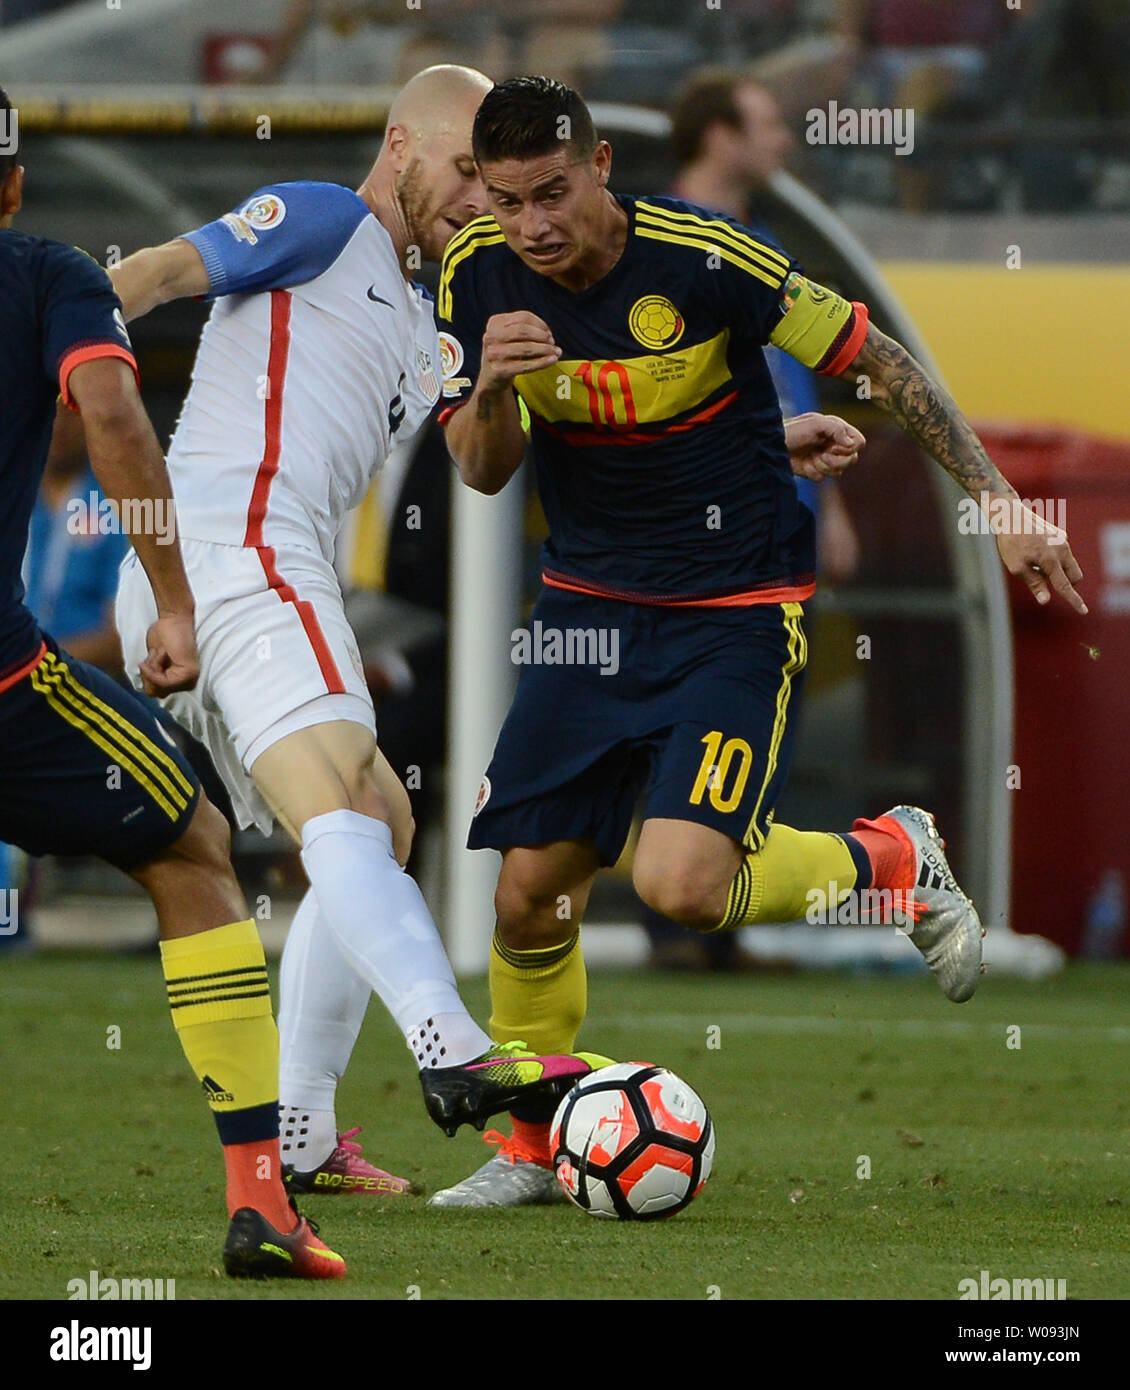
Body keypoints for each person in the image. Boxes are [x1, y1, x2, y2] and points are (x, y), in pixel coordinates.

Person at [426, 75, 1087, 1207]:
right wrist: (491, 384)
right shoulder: (472, 274)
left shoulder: (708, 257)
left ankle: (891, 860)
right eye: (503, 199)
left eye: (548, 193)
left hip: (733, 607)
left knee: (679, 884)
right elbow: (483, 466)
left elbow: (878, 363)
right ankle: (530, 1151)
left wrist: (999, 505)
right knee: (526, 894)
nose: (530, 224)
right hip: (586, 609)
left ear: (597, 170)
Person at [111, 65, 609, 1199]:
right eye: (466, 172)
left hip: (229, 574)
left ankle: (297, 1131)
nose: (481, 200)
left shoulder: (426, 310)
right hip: (236, 550)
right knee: (350, 803)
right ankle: (449, 1041)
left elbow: (486, 464)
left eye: (497, 182)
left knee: (376, 820)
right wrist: (62, 339)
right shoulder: (329, 220)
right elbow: (160, 273)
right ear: (399, 147)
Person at [0, 85, 343, 1278]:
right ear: (13, 184)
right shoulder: (45, 274)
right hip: (3, 690)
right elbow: (112, 414)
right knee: (194, 846)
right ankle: (262, 1201)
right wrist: (176, 597)